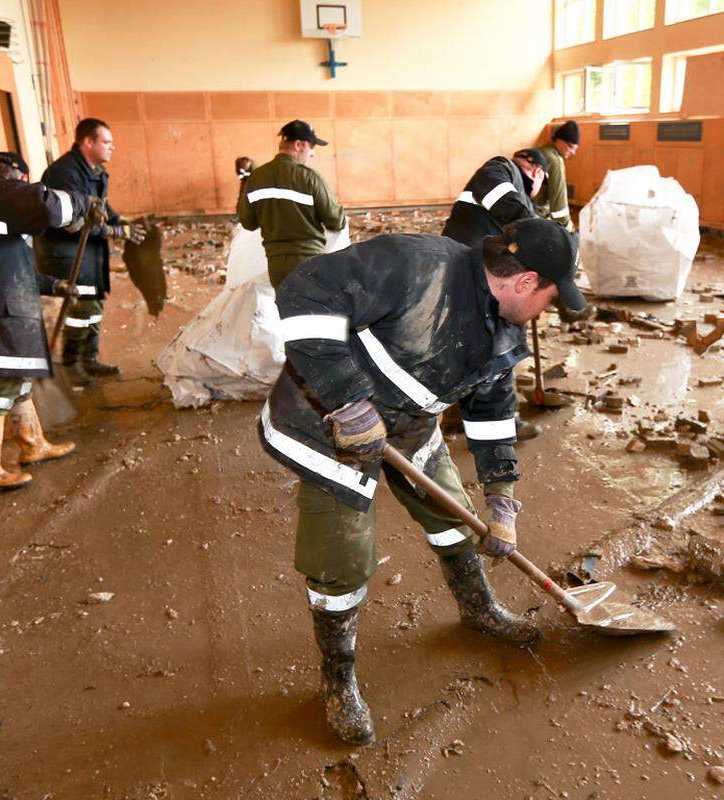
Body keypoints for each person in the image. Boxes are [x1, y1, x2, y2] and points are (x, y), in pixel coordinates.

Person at [260, 218, 585, 745]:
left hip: (409, 423)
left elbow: (493, 409)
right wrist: (346, 399)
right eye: (549, 297)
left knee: (455, 517)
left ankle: (478, 608)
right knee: (340, 562)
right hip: (330, 421)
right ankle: (338, 678)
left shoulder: (504, 323)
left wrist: (501, 498)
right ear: (524, 281)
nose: (546, 309)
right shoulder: (416, 265)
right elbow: (304, 291)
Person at [0, 152, 103, 488]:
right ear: (17, 176)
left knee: (16, 380)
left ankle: (32, 444)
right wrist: (83, 202)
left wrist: (55, 285)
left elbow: (10, 265)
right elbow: (48, 205)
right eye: (26, 183)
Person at [442, 148, 549, 441]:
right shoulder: (500, 169)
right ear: (536, 170)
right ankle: (504, 423)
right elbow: (509, 206)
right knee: (501, 345)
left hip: (467, 268)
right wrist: (538, 230)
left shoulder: (514, 187)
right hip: (480, 273)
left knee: (466, 343)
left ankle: (454, 415)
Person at [35, 118, 144, 383]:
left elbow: (100, 208)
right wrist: (115, 232)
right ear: (88, 142)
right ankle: (71, 363)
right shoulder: (65, 174)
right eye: (106, 142)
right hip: (67, 252)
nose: (112, 147)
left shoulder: (94, 172)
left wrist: (120, 222)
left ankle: (89, 358)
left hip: (89, 252)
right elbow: (75, 223)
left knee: (93, 304)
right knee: (82, 307)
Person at [236, 120, 345, 288]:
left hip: (277, 268)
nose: (312, 153)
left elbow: (248, 223)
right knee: (313, 312)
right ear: (298, 145)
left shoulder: (256, 178)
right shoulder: (309, 178)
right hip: (310, 264)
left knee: (288, 312)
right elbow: (336, 221)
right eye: (311, 146)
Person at [441, 148, 546, 245]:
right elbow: (504, 201)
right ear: (537, 172)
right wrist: (537, 226)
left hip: (471, 251)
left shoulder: (516, 184)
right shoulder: (501, 166)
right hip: (467, 252)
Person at [534, 120, 579, 232]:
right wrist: (570, 231)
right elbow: (559, 206)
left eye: (575, 149)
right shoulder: (555, 161)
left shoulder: (540, 150)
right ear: (559, 140)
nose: (573, 152)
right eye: (570, 146)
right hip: (535, 215)